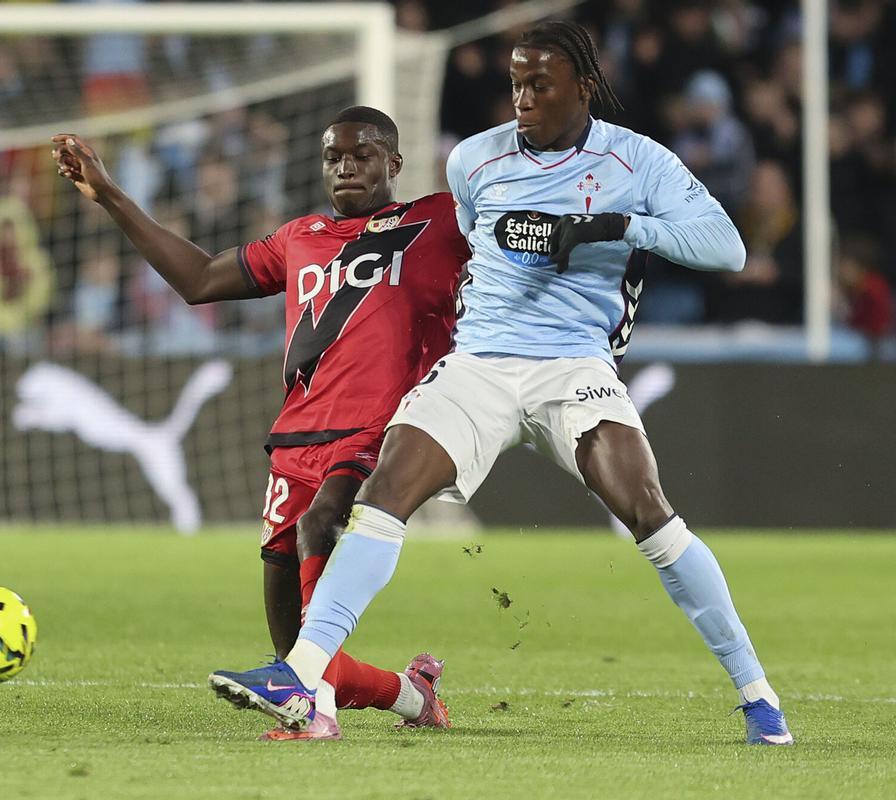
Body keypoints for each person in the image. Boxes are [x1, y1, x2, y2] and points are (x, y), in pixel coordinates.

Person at [209, 21, 794, 747]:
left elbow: (726, 245)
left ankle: (758, 695)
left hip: (573, 366)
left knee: (649, 513)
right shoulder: (474, 161)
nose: (521, 98)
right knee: (384, 492)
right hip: (479, 364)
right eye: (515, 82)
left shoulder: (637, 160)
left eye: (538, 84)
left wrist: (612, 226)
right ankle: (302, 671)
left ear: (582, 86)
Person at [52, 106, 470, 740]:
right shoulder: (299, 236)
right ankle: (410, 695)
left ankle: (318, 718)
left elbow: (519, 230)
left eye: (361, 154)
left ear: (395, 163)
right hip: (296, 437)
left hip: (383, 428)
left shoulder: (439, 220)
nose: (346, 166)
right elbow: (198, 279)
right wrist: (110, 195)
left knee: (323, 522)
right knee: (294, 654)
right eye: (334, 157)